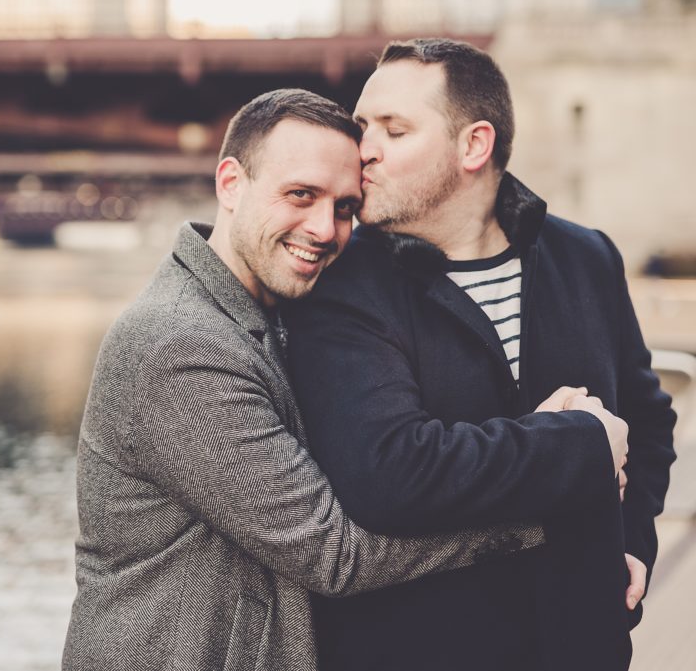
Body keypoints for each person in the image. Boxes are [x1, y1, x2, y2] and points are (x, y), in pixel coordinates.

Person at [62, 88, 593, 671]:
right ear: (231, 184)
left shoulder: (279, 316)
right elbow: (334, 553)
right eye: (300, 195)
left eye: (344, 208)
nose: (324, 229)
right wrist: (547, 504)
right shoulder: (180, 345)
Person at [285, 40, 676, 671]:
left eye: (395, 129)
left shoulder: (587, 258)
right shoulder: (340, 283)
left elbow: (647, 421)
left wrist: (631, 543)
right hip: (419, 649)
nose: (365, 150)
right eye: (362, 127)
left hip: (581, 644)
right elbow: (390, 475)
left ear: (474, 146)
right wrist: (578, 443)